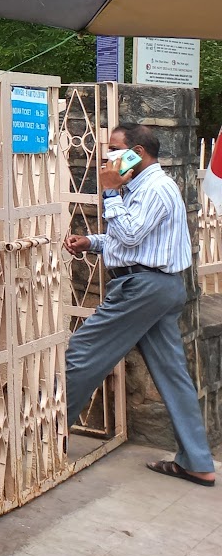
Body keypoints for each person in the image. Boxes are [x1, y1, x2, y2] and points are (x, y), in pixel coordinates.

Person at [63, 123, 216, 485]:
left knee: (81, 354)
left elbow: (131, 235)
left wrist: (110, 191)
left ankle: (43, 439)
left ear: (138, 153)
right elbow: (133, 239)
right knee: (173, 376)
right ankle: (197, 462)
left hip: (143, 287)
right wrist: (92, 242)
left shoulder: (156, 188)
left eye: (115, 149)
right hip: (157, 287)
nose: (108, 157)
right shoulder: (142, 187)